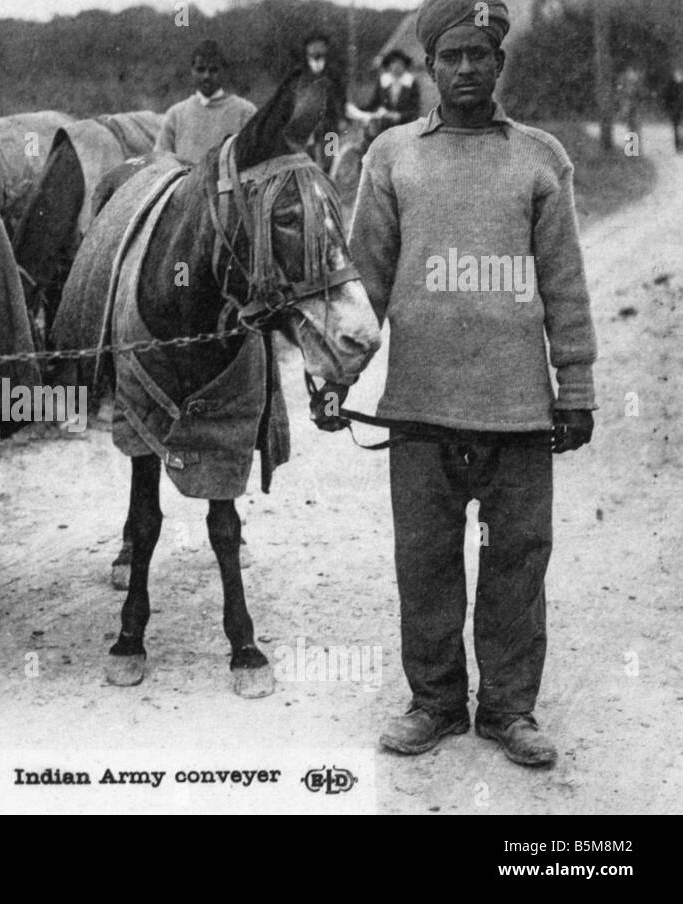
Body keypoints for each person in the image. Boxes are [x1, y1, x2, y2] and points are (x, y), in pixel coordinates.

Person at [329, 0, 598, 768]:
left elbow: (566, 286)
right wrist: (333, 377)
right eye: (452, 56)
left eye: (481, 55)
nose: (468, 68)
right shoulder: (391, 156)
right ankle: (436, 703)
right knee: (425, 559)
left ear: (500, 64)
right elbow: (361, 287)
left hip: (518, 411)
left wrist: (574, 387)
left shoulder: (541, 158)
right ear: (430, 67)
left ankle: (510, 711)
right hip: (419, 407)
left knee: (517, 561)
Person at [154, 40, 257, 164]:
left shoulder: (245, 112)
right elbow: (159, 161)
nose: (206, 76)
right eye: (200, 69)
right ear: (192, 70)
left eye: (213, 70)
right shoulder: (176, 114)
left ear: (224, 71)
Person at [296, 31, 347, 167]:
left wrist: (342, 119)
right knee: (307, 159)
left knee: (330, 158)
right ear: (307, 49)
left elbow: (341, 98)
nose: (316, 49)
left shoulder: (334, 72)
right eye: (312, 46)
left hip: (330, 123)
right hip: (306, 123)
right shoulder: (300, 72)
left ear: (326, 49)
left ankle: (328, 185)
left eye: (320, 46)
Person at [661, 67, 683, 153]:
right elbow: (666, 98)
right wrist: (668, 107)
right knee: (677, 128)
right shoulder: (671, 86)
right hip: (675, 109)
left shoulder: (674, 86)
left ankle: (679, 145)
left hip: (679, 108)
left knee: (678, 128)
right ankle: (678, 146)